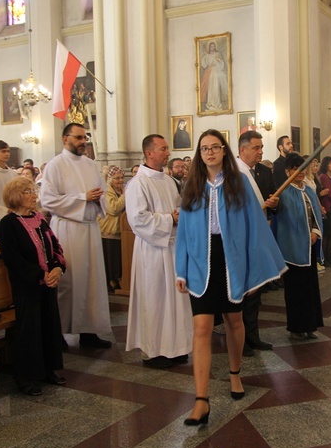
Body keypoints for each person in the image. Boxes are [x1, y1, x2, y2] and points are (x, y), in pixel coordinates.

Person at [176, 130, 286, 426]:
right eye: (204, 149)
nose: (209, 152)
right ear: (199, 155)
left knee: (234, 320)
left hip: (231, 259)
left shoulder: (239, 184)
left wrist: (255, 270)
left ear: (224, 151)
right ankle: (201, 400)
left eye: (214, 147)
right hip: (202, 261)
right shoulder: (192, 186)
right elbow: (184, 231)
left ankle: (235, 373)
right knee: (201, 327)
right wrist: (180, 269)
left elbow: (255, 228)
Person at [40, 123, 112, 349]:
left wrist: (97, 198)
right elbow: (48, 201)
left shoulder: (91, 164)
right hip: (68, 230)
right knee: (69, 283)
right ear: (65, 139)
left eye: (85, 138)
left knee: (92, 283)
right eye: (79, 138)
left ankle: (89, 331)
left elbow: (102, 193)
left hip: (90, 229)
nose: (83, 142)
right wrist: (83, 197)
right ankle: (58, 333)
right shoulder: (55, 165)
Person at [125, 135, 193, 368]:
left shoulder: (168, 180)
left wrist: (180, 215)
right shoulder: (138, 183)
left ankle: (176, 347)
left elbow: (177, 208)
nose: (167, 152)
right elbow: (137, 220)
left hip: (172, 247)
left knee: (174, 300)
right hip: (152, 251)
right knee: (155, 300)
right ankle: (155, 351)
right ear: (149, 153)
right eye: (163, 149)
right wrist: (169, 219)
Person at [0, 177, 67, 396]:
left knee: (49, 325)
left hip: (48, 282)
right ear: (15, 196)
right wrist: (40, 274)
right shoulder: (9, 224)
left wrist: (57, 268)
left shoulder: (39, 218)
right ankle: (26, 376)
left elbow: (54, 245)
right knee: (30, 330)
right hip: (27, 285)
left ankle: (49, 369)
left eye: (33, 190)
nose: (34, 194)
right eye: (28, 191)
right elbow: (13, 259)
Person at [236, 130, 280, 354]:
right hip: (241, 239)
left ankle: (253, 336)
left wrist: (273, 204)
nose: (261, 152)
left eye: (261, 148)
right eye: (256, 148)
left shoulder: (263, 171)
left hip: (259, 236)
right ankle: (239, 340)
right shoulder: (232, 173)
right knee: (243, 292)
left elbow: (273, 200)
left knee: (256, 292)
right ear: (242, 150)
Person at [275, 153, 324, 340]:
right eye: (296, 169)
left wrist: (315, 232)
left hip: (308, 246)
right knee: (296, 289)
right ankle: (296, 327)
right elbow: (278, 213)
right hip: (292, 248)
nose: (300, 172)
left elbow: (316, 215)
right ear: (288, 171)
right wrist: (274, 205)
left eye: (302, 168)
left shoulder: (309, 191)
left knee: (310, 287)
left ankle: (310, 325)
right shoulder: (283, 192)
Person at [98, 166, 126, 293]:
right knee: (110, 260)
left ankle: (117, 280)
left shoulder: (120, 191)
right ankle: (111, 282)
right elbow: (113, 209)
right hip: (108, 231)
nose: (120, 180)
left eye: (121, 177)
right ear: (109, 179)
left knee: (118, 259)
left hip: (120, 231)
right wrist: (125, 196)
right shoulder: (106, 191)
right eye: (116, 178)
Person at [199, 41, 228, 112]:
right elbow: (204, 65)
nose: (212, 48)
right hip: (209, 72)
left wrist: (219, 60)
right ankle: (210, 104)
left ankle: (216, 104)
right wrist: (205, 56)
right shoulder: (207, 55)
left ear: (215, 47)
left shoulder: (217, 54)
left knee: (216, 87)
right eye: (211, 46)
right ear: (209, 47)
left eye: (213, 46)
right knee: (210, 88)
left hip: (216, 71)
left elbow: (221, 64)